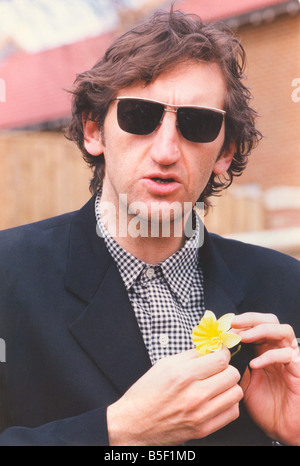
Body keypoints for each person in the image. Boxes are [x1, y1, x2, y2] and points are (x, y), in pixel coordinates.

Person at [0, 8, 300, 446]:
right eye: (140, 116)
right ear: (93, 131)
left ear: (223, 153)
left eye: (197, 123)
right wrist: (116, 431)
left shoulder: (285, 287)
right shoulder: (8, 276)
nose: (165, 150)